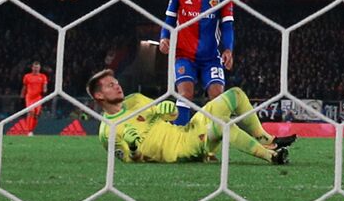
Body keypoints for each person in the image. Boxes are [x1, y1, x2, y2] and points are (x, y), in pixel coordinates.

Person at [88, 69, 292, 164]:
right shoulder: (107, 132)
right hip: (180, 151)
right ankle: (271, 157)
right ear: (99, 95)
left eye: (116, 81)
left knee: (235, 94)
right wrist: (132, 148)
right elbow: (132, 161)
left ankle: (266, 140)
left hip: (186, 132)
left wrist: (169, 110)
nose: (117, 85)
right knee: (223, 124)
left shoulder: (135, 99)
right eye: (110, 85)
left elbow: (172, 115)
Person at [158, 0, 235, 111]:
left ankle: (213, 135)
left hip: (211, 57)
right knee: (185, 94)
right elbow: (170, 19)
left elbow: (227, 26)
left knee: (217, 96)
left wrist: (228, 49)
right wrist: (164, 37)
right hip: (184, 55)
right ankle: (179, 134)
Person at [13, 60, 48, 135]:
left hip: (38, 97)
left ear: (40, 68)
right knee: (31, 112)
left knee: (36, 115)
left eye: (37, 67)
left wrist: (45, 89)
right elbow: (24, 87)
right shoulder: (27, 76)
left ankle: (31, 130)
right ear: (32, 68)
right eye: (35, 67)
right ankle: (29, 131)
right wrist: (22, 95)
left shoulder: (43, 76)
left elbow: (45, 86)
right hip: (29, 97)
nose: (36, 69)